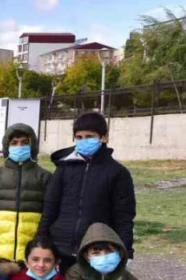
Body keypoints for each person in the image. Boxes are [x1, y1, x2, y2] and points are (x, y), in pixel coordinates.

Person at [38, 112, 136, 270]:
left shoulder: (118, 173)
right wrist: (41, 240)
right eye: (79, 137)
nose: (84, 141)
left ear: (103, 137)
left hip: (96, 249)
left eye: (89, 136)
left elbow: (124, 216)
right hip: (60, 248)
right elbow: (49, 207)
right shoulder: (64, 168)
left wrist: (126, 251)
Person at [0, 124, 51, 263]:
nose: (19, 146)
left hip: (33, 254)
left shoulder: (45, 177)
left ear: (33, 146)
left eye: (25, 142)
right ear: (7, 146)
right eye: (14, 143)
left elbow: (49, 214)